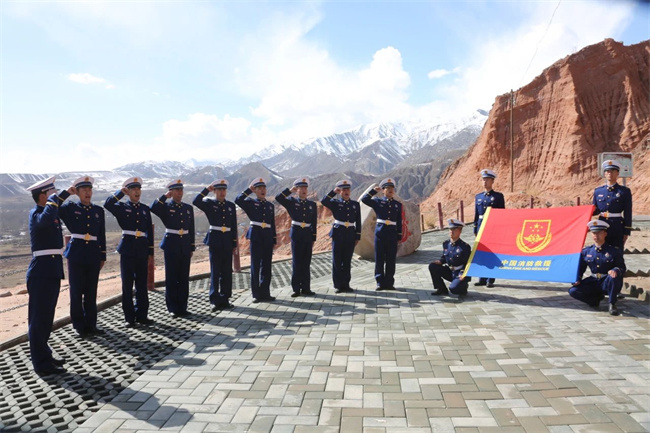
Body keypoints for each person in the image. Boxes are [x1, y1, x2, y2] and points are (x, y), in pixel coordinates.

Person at [25, 176, 69, 376]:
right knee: (38, 320)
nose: (56, 197)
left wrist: (67, 193)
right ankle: (41, 364)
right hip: (41, 272)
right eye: (52, 193)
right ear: (43, 196)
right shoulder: (36, 214)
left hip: (51, 270)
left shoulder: (48, 210)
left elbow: (54, 209)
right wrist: (53, 201)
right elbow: (44, 221)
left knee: (46, 318)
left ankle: (45, 355)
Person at [58, 176, 107, 337]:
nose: (87, 193)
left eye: (89, 189)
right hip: (77, 253)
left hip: (93, 253)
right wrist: (66, 193)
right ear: (77, 192)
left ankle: (91, 324)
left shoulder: (98, 211)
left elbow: (101, 234)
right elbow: (54, 207)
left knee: (91, 291)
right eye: (84, 190)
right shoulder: (70, 208)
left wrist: (102, 255)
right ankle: (79, 325)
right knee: (76, 291)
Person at [104, 177, 155, 327]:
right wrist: (120, 193)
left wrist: (150, 252)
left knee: (141, 284)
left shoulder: (144, 209)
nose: (137, 192)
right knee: (127, 284)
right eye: (133, 189)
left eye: (139, 189)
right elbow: (108, 204)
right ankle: (129, 317)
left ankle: (142, 315)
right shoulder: (121, 207)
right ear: (128, 192)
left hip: (142, 249)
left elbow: (149, 232)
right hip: (127, 249)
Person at [151, 179, 195, 318]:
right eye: (176, 190)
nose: (179, 193)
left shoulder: (188, 208)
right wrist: (165, 197)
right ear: (171, 192)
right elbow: (153, 207)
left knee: (183, 277)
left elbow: (191, 228)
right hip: (171, 244)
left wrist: (191, 246)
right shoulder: (165, 206)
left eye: (181, 190)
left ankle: (183, 307)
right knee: (171, 277)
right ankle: (173, 307)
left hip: (185, 244)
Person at [193, 179, 238, 311]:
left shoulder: (230, 205)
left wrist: (234, 243)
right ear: (215, 191)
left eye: (224, 190)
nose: (222, 192)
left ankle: (225, 298)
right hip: (215, 240)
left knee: (226, 271)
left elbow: (233, 225)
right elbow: (196, 201)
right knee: (215, 270)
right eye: (219, 190)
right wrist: (206, 190)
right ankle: (214, 299)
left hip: (227, 240)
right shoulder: (210, 203)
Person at [570, 220, 625, 316]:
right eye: (594, 233)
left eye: (599, 233)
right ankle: (594, 300)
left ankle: (612, 304)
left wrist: (615, 270)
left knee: (613, 278)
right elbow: (580, 269)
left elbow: (622, 267)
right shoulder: (587, 251)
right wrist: (577, 279)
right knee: (573, 291)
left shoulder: (613, 251)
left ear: (605, 234)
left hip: (607, 281)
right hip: (594, 281)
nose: (596, 235)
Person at [235, 178, 277, 303]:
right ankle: (256, 294)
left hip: (267, 236)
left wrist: (274, 239)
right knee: (255, 265)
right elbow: (238, 200)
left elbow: (272, 223)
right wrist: (248, 190)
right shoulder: (251, 203)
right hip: (256, 236)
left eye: (264, 188)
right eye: (259, 188)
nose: (263, 190)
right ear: (255, 191)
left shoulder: (270, 206)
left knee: (266, 265)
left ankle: (265, 292)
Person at [275, 178, 318, 297]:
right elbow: (279, 198)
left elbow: (314, 222)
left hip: (307, 235)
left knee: (306, 262)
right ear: (297, 190)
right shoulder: (292, 202)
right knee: (297, 262)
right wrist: (289, 191)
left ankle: (306, 288)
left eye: (305, 188)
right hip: (297, 234)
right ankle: (296, 289)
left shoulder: (312, 205)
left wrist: (313, 237)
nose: (304, 190)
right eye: (301, 188)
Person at [361, 178, 402, 291]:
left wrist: (399, 235)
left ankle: (389, 282)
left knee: (391, 259)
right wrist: (373, 191)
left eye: (392, 188)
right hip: (381, 233)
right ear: (383, 190)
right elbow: (364, 199)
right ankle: (379, 282)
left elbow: (399, 221)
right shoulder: (377, 201)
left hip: (392, 234)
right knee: (379, 258)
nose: (390, 190)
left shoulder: (397, 205)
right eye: (387, 188)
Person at [321, 179, 361, 293]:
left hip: (350, 234)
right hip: (338, 233)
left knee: (347, 260)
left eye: (348, 189)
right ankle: (338, 285)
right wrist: (333, 192)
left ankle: (346, 284)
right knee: (337, 260)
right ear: (340, 192)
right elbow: (324, 201)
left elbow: (358, 221)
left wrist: (357, 236)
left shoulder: (355, 204)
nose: (346, 191)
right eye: (343, 190)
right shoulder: (335, 203)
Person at [473, 169, 505, 288]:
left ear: (492, 181)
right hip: (481, 225)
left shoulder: (498, 196)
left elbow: (502, 214)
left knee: (492, 253)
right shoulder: (478, 197)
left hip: (492, 227)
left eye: (487, 179)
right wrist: (475, 228)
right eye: (483, 179)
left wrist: (500, 229)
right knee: (481, 252)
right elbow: (476, 214)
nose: (485, 182)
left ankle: (490, 279)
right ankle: (482, 278)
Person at [592, 159, 632, 250]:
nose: (610, 173)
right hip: (601, 225)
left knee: (617, 251)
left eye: (613, 171)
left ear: (617, 173)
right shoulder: (598, 191)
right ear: (604, 174)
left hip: (617, 226)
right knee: (602, 251)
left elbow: (628, 212)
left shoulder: (624, 191)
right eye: (607, 171)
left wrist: (627, 231)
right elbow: (595, 210)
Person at [429, 219, 472, 301]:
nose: (452, 231)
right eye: (450, 229)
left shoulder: (465, 247)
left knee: (453, 289)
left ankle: (463, 287)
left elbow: (467, 263)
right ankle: (441, 289)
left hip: (459, 273)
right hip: (450, 271)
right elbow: (445, 257)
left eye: (455, 229)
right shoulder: (446, 244)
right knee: (433, 266)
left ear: (460, 231)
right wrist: (441, 261)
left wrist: (462, 274)